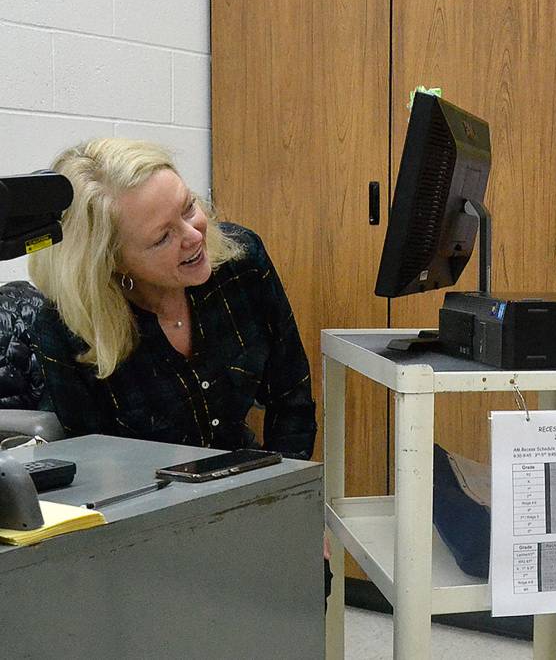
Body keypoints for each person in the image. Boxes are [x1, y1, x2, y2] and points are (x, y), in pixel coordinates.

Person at [27, 138, 330, 598]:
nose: (193, 236)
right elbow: (90, 473)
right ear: (111, 261)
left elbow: (292, 397)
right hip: (144, 520)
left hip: (246, 487)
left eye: (188, 208)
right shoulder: (67, 326)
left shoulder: (242, 263)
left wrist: (291, 504)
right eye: (162, 237)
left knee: (299, 582)